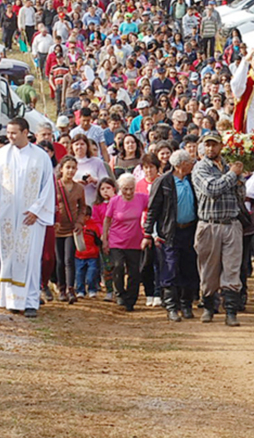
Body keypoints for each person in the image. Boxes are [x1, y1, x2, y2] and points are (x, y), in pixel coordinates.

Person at [0, 117, 56, 318]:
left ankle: (31, 301)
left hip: (30, 217)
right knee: (10, 256)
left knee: (30, 258)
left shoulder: (40, 157)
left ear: (26, 133)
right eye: (8, 133)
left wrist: (36, 210)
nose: (10, 136)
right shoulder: (1, 155)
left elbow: (48, 187)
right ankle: (12, 300)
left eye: (14, 133)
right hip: (7, 216)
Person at [191, 132, 245, 326]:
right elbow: (211, 189)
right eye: (208, 145)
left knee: (232, 269)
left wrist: (238, 180)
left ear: (221, 146)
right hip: (209, 224)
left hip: (231, 223)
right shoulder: (200, 167)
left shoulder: (230, 166)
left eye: (214, 145)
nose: (211, 149)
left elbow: (241, 192)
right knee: (208, 270)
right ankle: (208, 307)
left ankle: (231, 311)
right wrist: (233, 175)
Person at [144, 149, 200, 322]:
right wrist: (148, 232)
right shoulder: (163, 182)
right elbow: (153, 208)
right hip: (170, 232)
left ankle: (186, 304)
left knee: (189, 267)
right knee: (170, 268)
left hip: (190, 230)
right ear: (180, 165)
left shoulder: (192, 180)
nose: (193, 164)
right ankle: (171, 306)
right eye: (190, 162)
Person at [102, 173, 149, 312]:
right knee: (118, 266)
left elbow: (153, 208)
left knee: (134, 272)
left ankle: (131, 299)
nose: (128, 192)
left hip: (135, 241)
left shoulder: (141, 198)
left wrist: (148, 231)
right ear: (120, 188)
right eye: (125, 189)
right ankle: (119, 292)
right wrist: (105, 239)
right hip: (117, 240)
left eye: (131, 189)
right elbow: (107, 220)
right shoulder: (115, 201)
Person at [53, 155, 86, 304]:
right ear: (62, 169)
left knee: (69, 260)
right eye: (68, 167)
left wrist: (80, 222)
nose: (71, 171)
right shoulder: (55, 185)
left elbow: (83, 207)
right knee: (59, 261)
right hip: (57, 229)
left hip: (71, 229)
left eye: (73, 168)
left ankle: (70, 288)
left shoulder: (79, 188)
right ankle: (61, 288)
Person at [74, 205, 101, 299]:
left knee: (91, 274)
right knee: (79, 274)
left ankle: (92, 290)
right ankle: (80, 290)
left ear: (88, 216)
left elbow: (98, 240)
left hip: (92, 255)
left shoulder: (94, 227)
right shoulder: (76, 226)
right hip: (79, 255)